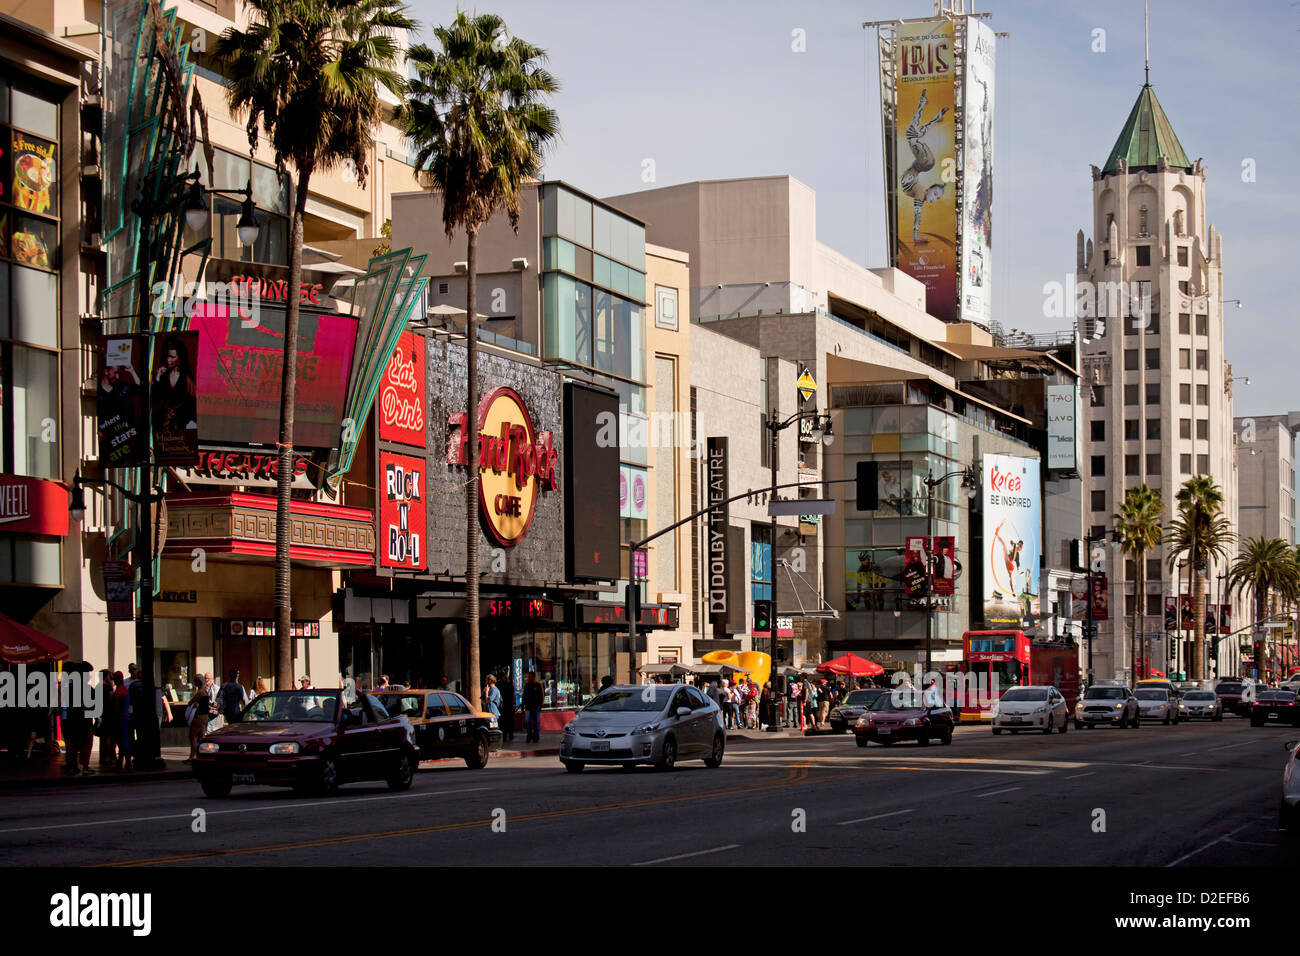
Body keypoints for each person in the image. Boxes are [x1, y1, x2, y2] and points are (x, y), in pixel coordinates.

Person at [186, 678, 213, 762]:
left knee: (193, 736)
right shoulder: (205, 691)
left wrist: (193, 703)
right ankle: (202, 755)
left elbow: (190, 702)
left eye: (195, 682)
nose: (194, 683)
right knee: (201, 736)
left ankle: (192, 756)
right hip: (204, 716)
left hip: (199, 717)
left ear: (198, 682)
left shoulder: (200, 692)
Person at [522, 672, 544, 744]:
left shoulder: (538, 685)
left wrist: (540, 705)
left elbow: (541, 695)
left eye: (530, 677)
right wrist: (523, 706)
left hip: (536, 707)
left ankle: (536, 736)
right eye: (528, 677)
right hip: (528, 706)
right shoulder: (527, 685)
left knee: (536, 722)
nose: (529, 678)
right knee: (528, 721)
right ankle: (529, 736)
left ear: (533, 677)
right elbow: (524, 696)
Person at [498, 671, 516, 743]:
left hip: (506, 705)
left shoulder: (507, 685)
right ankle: (507, 735)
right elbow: (513, 694)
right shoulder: (501, 685)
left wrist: (514, 703)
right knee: (507, 721)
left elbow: (513, 694)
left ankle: (508, 734)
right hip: (506, 705)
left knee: (506, 721)